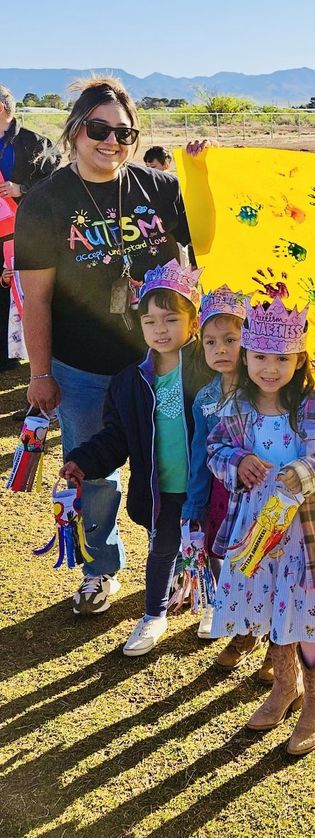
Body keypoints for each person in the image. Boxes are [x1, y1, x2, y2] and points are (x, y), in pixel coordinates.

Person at [17, 77, 193, 617]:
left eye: (124, 133)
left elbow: (195, 262)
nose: (111, 142)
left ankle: (183, 568)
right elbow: (37, 299)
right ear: (75, 131)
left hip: (157, 363)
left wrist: (204, 172)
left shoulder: (160, 189)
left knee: (176, 465)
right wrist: (41, 372)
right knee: (92, 470)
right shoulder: (45, 204)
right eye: (99, 129)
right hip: (82, 367)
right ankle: (101, 569)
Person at [206, 295, 315, 756]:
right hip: (256, 531)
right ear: (247, 355)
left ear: (299, 358)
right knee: (272, 609)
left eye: (282, 358)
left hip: (305, 534)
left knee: (308, 618)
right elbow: (215, 449)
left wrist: (308, 470)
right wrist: (239, 459)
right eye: (261, 357)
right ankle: (283, 686)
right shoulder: (235, 408)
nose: (270, 368)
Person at [58, 261, 205, 655]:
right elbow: (115, 437)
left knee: (213, 548)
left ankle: (213, 605)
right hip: (161, 491)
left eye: (171, 319)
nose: (160, 329)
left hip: (207, 488)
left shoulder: (211, 371)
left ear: (193, 323)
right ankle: (154, 615)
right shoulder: (129, 382)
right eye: (150, 320)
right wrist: (82, 460)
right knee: (161, 551)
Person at [180, 285, 273, 678]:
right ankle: (247, 629)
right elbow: (200, 454)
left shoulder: (267, 388)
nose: (220, 349)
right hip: (222, 499)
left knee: (268, 562)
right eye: (211, 341)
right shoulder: (204, 397)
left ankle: (277, 643)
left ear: (248, 339)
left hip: (265, 497)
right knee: (234, 564)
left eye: (231, 340)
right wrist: (193, 507)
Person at [0, 83, 60, 370]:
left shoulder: (36, 142)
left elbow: (53, 182)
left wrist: (20, 187)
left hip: (22, 229)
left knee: (23, 291)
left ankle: (30, 354)